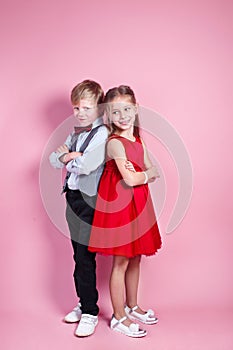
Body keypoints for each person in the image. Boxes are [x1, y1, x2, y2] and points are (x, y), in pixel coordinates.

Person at [88, 85, 162, 338]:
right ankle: (119, 317)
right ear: (108, 115)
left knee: (136, 257)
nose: (122, 116)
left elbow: (155, 170)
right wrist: (145, 174)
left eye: (127, 110)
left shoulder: (138, 140)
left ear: (136, 109)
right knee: (120, 260)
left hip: (138, 206)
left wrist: (144, 173)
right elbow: (130, 179)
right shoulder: (115, 144)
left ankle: (132, 305)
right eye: (115, 112)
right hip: (119, 208)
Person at [49, 80, 108, 337]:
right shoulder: (74, 133)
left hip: (88, 201)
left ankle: (90, 312)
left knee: (85, 256)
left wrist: (69, 158)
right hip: (71, 197)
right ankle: (83, 302)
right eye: (76, 108)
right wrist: (68, 156)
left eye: (86, 107)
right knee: (77, 255)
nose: (80, 112)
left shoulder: (102, 133)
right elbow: (53, 159)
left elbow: (87, 166)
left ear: (99, 108)